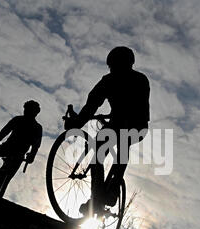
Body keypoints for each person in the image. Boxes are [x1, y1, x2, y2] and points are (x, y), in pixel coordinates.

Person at [64, 46, 150, 215]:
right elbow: (92, 104)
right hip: (132, 124)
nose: (113, 68)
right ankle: (103, 194)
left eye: (114, 65)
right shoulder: (132, 79)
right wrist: (77, 122)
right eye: (112, 66)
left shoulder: (120, 80)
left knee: (105, 147)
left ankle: (107, 192)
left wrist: (77, 123)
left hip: (131, 123)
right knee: (107, 147)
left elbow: (92, 105)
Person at [0, 100, 42, 195]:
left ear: (35, 112)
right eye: (25, 110)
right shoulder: (18, 119)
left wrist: (32, 155)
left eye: (28, 110)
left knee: (5, 177)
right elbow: (5, 130)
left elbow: (36, 145)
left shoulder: (37, 128)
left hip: (19, 154)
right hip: (7, 146)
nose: (26, 112)